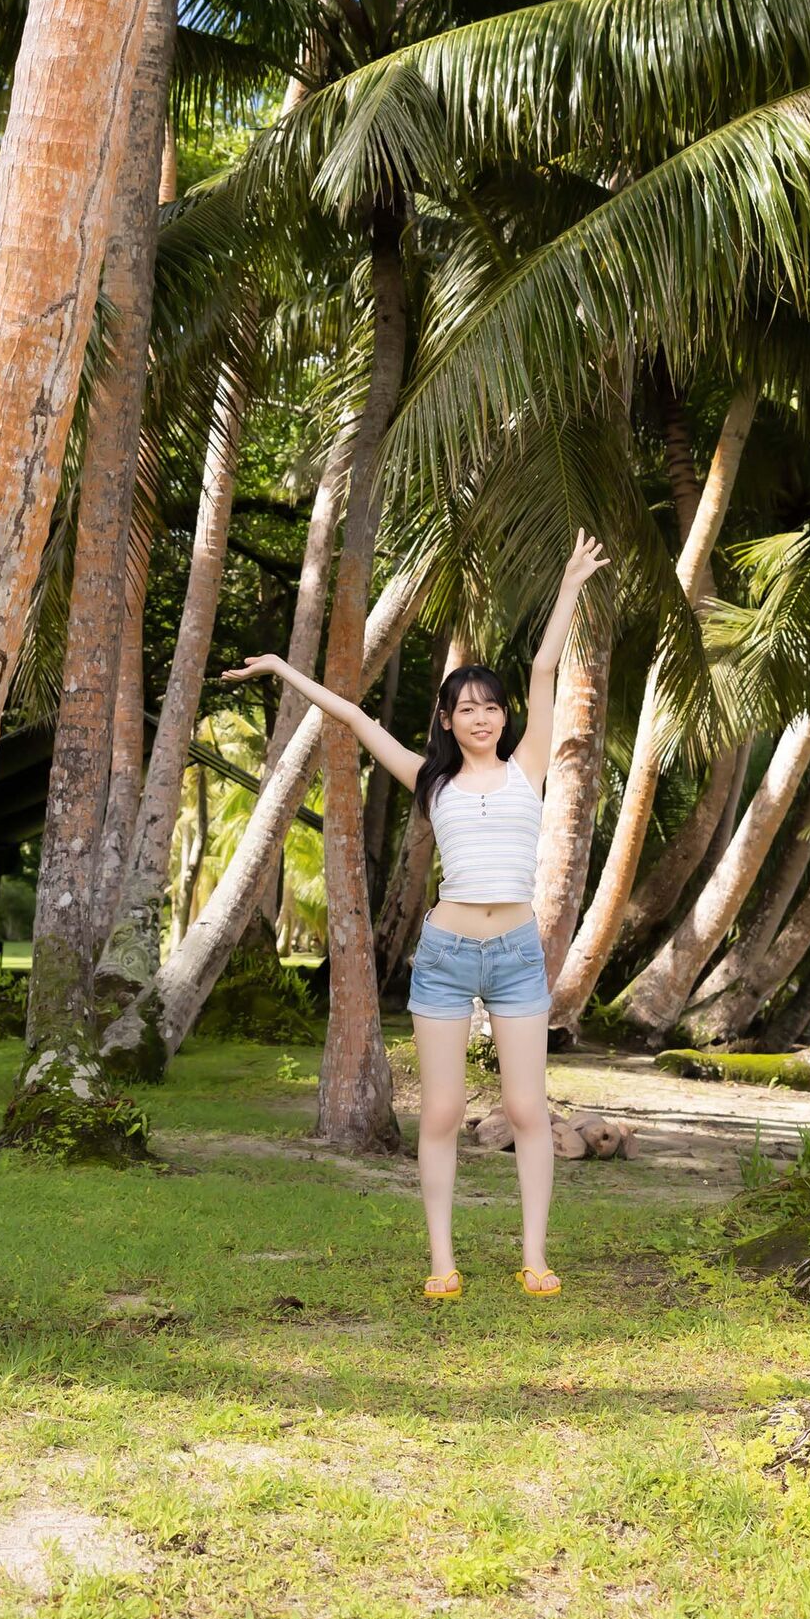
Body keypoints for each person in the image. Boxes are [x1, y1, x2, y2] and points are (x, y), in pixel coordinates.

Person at [225, 531, 610, 1301]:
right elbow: (352, 716)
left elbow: (544, 667)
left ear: (504, 717)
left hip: (515, 953)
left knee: (526, 1109)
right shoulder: (429, 779)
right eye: (467, 709)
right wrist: (279, 669)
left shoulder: (528, 768)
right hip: (446, 954)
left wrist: (570, 583)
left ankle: (535, 1258)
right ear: (446, 719)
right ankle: (441, 1263)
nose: (482, 718)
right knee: (439, 1112)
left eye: (491, 708)